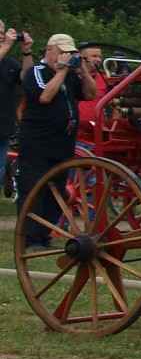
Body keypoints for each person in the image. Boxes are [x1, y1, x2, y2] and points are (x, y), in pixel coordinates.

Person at [16, 34, 82, 250]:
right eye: (62, 52)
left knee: (57, 191)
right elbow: (45, 97)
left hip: (63, 143)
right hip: (38, 143)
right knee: (34, 189)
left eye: (69, 53)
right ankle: (29, 237)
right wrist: (62, 71)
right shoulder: (36, 72)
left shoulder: (70, 75)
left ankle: (44, 235)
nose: (65, 56)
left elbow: (90, 94)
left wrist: (83, 70)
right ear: (49, 50)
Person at [0, 24, 31, 200]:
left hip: (3, 128)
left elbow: (27, 78)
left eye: (2, 32)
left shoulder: (10, 62)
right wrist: (6, 45)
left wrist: (26, 52)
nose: (2, 35)